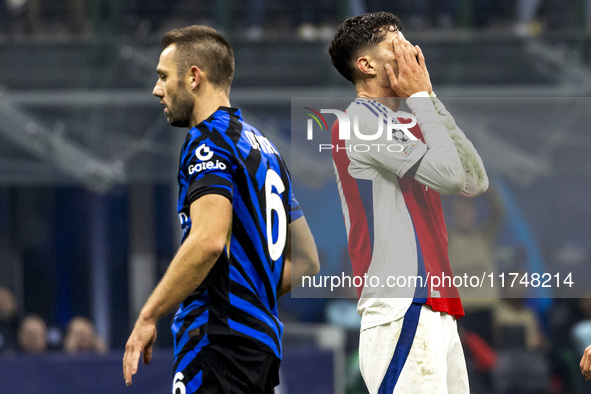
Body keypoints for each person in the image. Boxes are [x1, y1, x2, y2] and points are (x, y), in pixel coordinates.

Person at [122, 25, 319, 393]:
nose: (157, 89)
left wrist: (149, 315)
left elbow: (208, 240)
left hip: (218, 345)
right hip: (260, 347)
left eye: (164, 77)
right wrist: (250, 297)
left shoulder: (207, 141)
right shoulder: (265, 149)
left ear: (194, 77)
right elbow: (308, 261)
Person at [328, 11, 488, 393]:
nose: (410, 54)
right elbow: (451, 176)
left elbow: (474, 181)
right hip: (401, 306)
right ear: (365, 65)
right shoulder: (359, 121)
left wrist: (427, 98)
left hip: (435, 306)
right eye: (395, 46)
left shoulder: (410, 124)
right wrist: (419, 98)